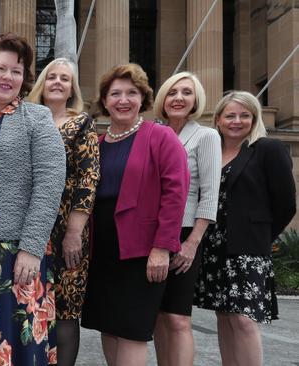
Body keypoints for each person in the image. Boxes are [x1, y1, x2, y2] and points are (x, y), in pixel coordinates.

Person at [80, 63, 189, 366]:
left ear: (143, 98)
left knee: (131, 331)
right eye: (115, 93)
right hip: (102, 250)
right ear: (104, 101)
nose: (123, 100)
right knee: (108, 325)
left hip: (141, 252)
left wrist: (161, 248)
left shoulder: (161, 137)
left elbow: (175, 195)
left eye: (132, 93)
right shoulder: (98, 145)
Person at [0, 33, 65, 366]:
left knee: (15, 339)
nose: (8, 77)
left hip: (15, 250)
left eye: (16, 71)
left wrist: (31, 248)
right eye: (0, 68)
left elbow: (50, 183)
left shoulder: (36, 118)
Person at [194, 91, 296, 366]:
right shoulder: (212, 151)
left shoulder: (267, 149)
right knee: (224, 316)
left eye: (244, 115)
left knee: (244, 319)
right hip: (214, 248)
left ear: (254, 119)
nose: (236, 121)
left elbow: (286, 204)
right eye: (230, 115)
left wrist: (261, 236)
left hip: (248, 248)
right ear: (217, 119)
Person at [26, 57, 99, 366]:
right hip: (28, 227)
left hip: (66, 228)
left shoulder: (81, 123)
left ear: (72, 89)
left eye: (65, 79)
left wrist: (74, 233)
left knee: (66, 309)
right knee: (29, 304)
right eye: (52, 76)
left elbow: (89, 178)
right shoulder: (24, 117)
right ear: (42, 83)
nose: (57, 82)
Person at [151, 72, 221, 366]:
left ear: (196, 101)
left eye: (186, 92)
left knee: (178, 317)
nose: (178, 98)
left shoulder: (206, 136)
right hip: (152, 234)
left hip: (185, 233)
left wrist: (192, 243)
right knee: (156, 317)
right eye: (172, 92)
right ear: (162, 99)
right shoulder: (152, 132)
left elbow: (210, 194)